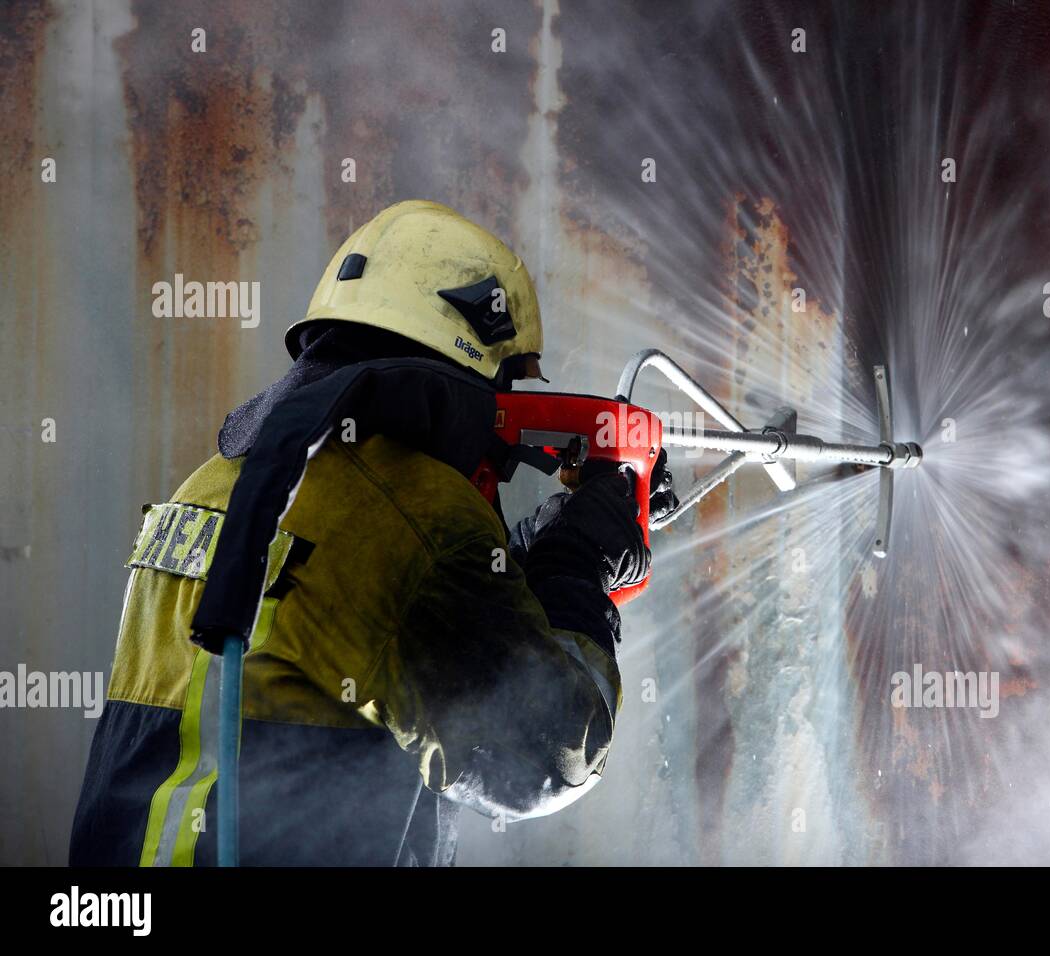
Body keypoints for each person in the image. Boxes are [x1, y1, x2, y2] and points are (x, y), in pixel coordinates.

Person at [70, 200, 661, 866]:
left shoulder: (215, 487)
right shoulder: (423, 516)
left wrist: (523, 558)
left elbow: (376, 627)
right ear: (476, 372)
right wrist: (577, 566)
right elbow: (552, 754)